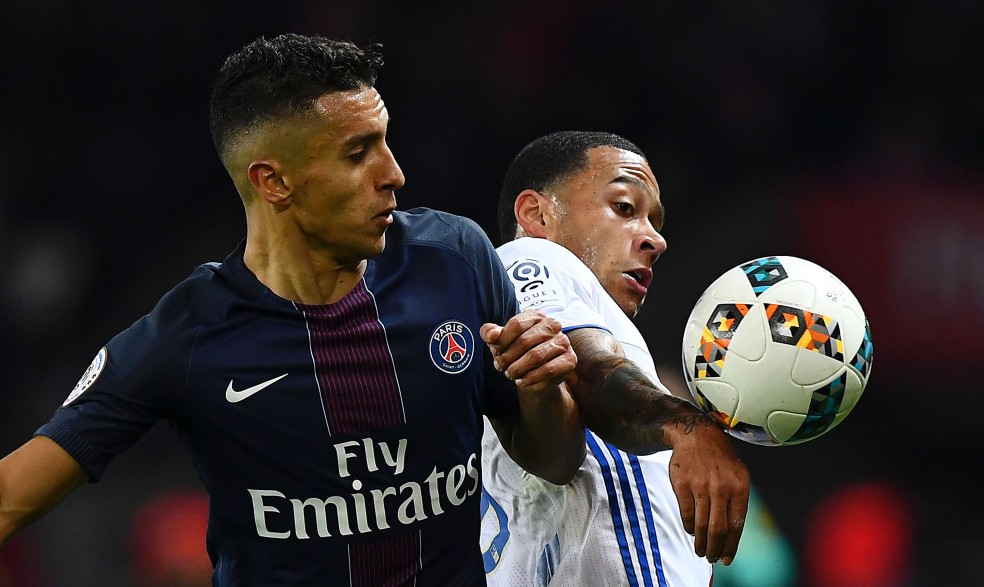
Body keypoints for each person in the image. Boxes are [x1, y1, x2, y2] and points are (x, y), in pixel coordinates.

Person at [0, 34, 585, 586]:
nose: (394, 174)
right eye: (358, 154)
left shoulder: (455, 258)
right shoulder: (188, 334)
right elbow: (12, 496)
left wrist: (542, 389)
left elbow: (555, 462)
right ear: (273, 181)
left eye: (385, 140)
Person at [479, 131, 750, 586]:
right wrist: (690, 428)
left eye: (656, 222)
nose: (655, 240)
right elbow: (584, 368)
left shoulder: (609, 335)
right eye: (624, 208)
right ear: (536, 213)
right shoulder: (531, 257)